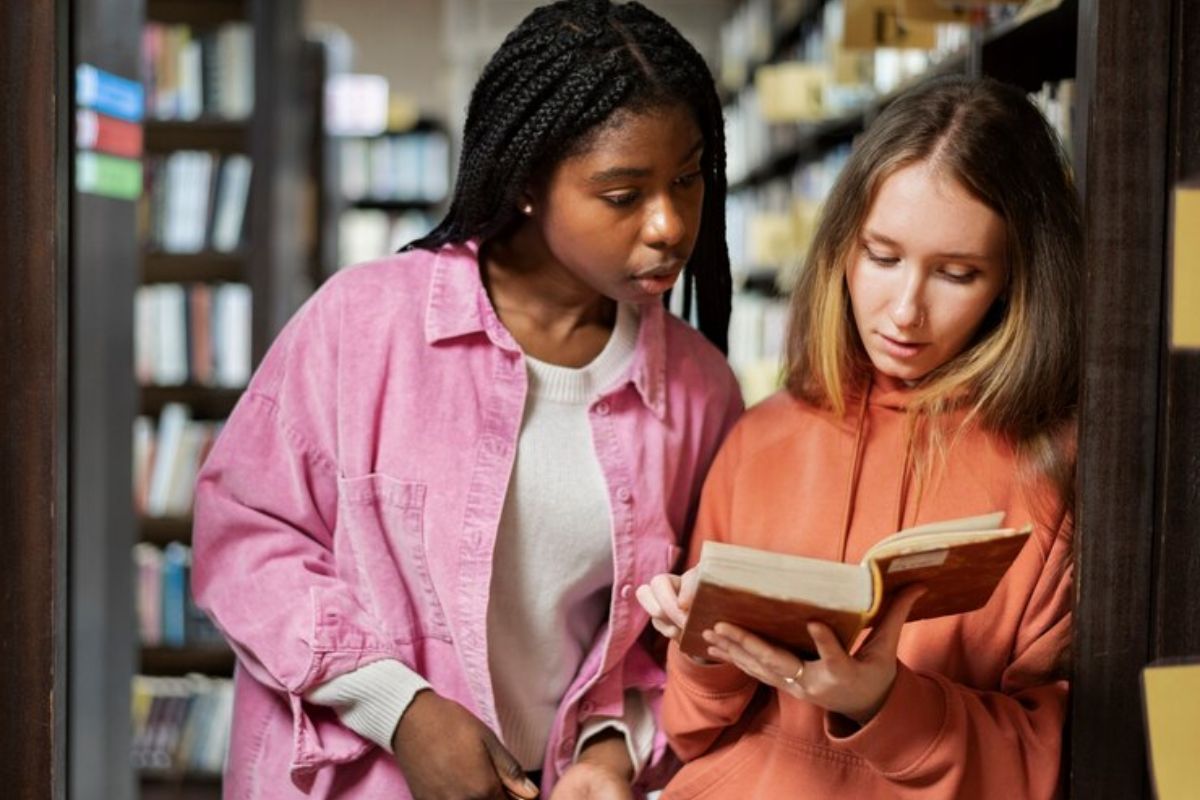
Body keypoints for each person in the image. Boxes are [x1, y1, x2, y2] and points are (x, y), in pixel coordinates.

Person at [191, 2, 743, 798]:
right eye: (623, 195)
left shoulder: (699, 391)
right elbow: (245, 536)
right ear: (525, 183)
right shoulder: (364, 323)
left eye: (688, 179)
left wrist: (613, 747)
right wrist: (402, 711)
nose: (669, 224)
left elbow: (686, 631)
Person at [636, 74, 1080, 799]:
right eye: (881, 257)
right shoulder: (760, 438)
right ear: (841, 246)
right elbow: (688, 732)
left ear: (1014, 282)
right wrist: (704, 649)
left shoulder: (1050, 475)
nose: (905, 310)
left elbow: (1048, 762)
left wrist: (884, 702)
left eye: (958, 273)